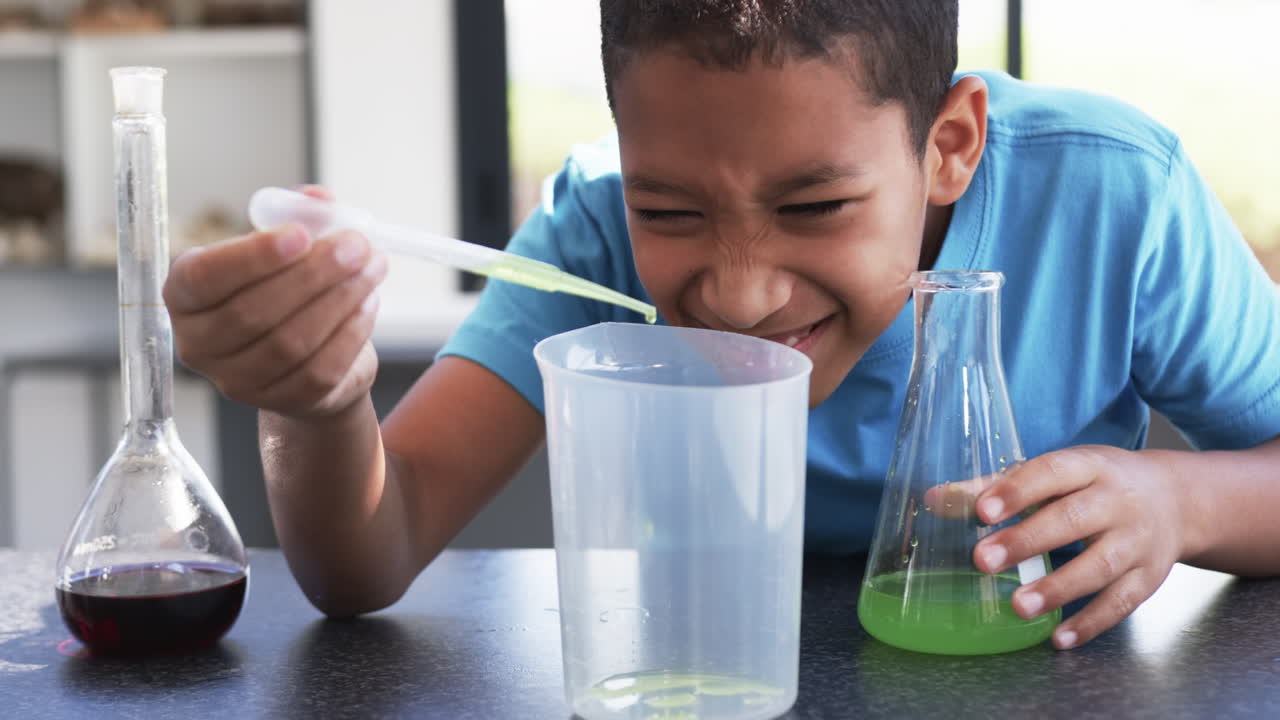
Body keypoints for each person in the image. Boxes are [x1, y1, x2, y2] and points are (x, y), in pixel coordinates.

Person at [162, 0, 1280, 650]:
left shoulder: (1116, 196)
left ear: (949, 145)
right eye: (671, 212)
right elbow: (369, 554)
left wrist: (1181, 503)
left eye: (814, 208)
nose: (740, 295)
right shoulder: (592, 227)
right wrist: (316, 401)